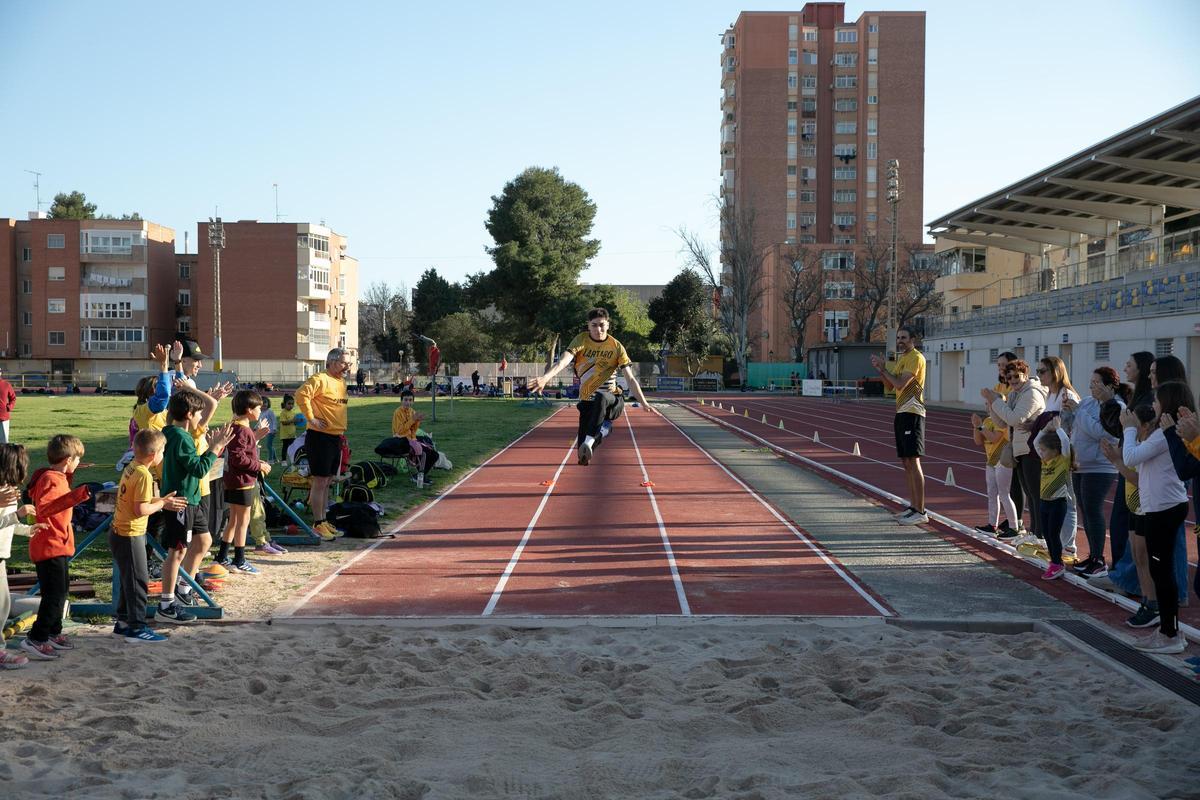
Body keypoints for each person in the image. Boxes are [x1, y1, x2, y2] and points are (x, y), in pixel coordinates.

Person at [1119, 381, 1194, 654]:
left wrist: (1129, 428)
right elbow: (1139, 461)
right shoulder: (1163, 432)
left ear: (1168, 402)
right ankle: (1168, 630)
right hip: (1160, 507)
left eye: (1157, 400)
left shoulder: (1167, 433)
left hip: (1164, 508)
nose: (1153, 405)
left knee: (1162, 572)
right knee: (1160, 571)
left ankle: (1170, 634)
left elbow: (1129, 457)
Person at [528, 307, 654, 466]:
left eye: (602, 325)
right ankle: (602, 431)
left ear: (608, 324)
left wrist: (644, 402)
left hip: (612, 400)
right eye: (594, 325)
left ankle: (597, 433)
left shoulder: (616, 346)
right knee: (582, 456)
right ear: (588, 325)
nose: (598, 329)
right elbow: (563, 361)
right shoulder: (581, 340)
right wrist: (545, 378)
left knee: (602, 397)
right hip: (587, 401)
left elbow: (630, 378)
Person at [158, 390, 235, 623]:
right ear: (189, 413)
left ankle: (183, 589)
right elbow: (199, 469)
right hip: (181, 501)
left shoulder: (174, 433)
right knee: (177, 551)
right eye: (199, 413)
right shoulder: (181, 437)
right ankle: (166, 604)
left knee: (204, 541)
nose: (201, 418)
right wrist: (215, 448)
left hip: (192, 499)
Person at [111, 429, 186, 643]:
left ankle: (124, 622)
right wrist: (162, 503)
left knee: (129, 580)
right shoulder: (144, 474)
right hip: (130, 534)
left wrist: (162, 500)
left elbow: (138, 502)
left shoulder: (132, 467)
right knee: (138, 582)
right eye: (163, 451)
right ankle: (137, 628)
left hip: (120, 532)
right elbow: (140, 510)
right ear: (154, 455)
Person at [22, 435, 92, 660]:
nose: (79, 463)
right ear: (68, 459)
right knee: (54, 595)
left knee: (61, 592)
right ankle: (37, 637)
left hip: (56, 544)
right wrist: (77, 496)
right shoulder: (52, 479)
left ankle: (53, 631)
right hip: (49, 545)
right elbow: (45, 508)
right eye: (77, 459)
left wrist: (69, 476)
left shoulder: (55, 476)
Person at [1064, 367, 1121, 578]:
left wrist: (1079, 412)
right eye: (1091, 382)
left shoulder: (1116, 406)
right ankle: (1093, 554)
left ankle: (1099, 559)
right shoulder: (1087, 402)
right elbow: (1077, 427)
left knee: (1093, 508)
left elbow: (1102, 433)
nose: (1091, 386)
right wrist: (1070, 410)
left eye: (1096, 383)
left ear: (1109, 385)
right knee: (1085, 510)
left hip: (1100, 466)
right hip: (1081, 464)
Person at [983, 360, 1046, 544]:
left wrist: (995, 400)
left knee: (1035, 494)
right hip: (1020, 449)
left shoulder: (1031, 393)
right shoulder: (1014, 394)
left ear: (1025, 375)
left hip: (1032, 449)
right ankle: (1035, 533)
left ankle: (1039, 535)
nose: (1012, 380)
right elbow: (1002, 423)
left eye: (1016, 376)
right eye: (1008, 377)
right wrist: (992, 403)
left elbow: (1013, 418)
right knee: (1030, 492)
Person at [869, 326, 928, 524]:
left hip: (913, 412)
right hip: (901, 411)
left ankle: (920, 511)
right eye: (898, 338)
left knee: (913, 460)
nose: (900, 341)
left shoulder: (916, 358)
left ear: (913, 338)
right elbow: (889, 385)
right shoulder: (902, 358)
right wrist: (881, 370)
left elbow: (901, 383)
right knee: (906, 461)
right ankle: (913, 507)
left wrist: (885, 369)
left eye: (904, 337)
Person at [295, 348, 353, 540]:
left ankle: (324, 520)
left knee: (328, 480)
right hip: (320, 437)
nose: (347, 366)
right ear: (332, 361)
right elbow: (301, 395)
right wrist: (311, 418)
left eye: (348, 363)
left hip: (336, 437)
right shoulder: (320, 379)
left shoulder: (341, 382)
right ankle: (318, 523)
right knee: (320, 481)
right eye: (344, 362)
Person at [217, 390, 271, 573]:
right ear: (248, 410)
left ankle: (222, 556)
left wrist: (257, 462)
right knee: (242, 520)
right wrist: (259, 466)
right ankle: (239, 559)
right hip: (242, 481)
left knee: (233, 519)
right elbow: (238, 459)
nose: (260, 412)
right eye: (258, 408)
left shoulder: (235, 425)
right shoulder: (243, 430)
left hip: (233, 479)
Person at [1035, 357, 1081, 558]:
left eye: (1043, 371)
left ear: (1055, 372)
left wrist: (1068, 455)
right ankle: (1059, 543)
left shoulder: (1066, 394)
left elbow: (1071, 426)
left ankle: (1069, 545)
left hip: (1064, 455)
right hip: (1051, 455)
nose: (1039, 375)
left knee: (1067, 499)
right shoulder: (1050, 394)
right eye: (1038, 370)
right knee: (1054, 498)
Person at [1, 447, 43, 669]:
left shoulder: (8, 491)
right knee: (1, 605)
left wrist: (28, 530)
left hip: (1, 556)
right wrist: (17, 514)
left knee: (4, 604)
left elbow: (8, 523)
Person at [1034, 422, 1073, 580]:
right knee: (1046, 534)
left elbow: (1065, 443)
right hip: (1044, 502)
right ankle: (1054, 562)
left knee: (1053, 533)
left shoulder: (1062, 460)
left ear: (1055, 451)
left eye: (1044, 451)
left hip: (1057, 503)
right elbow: (1036, 443)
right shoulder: (1045, 461)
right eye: (1041, 451)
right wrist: (1045, 429)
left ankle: (1057, 563)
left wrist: (1058, 429)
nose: (1041, 453)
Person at [970, 411, 1016, 536]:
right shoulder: (987, 421)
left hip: (1002, 460)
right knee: (992, 494)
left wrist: (981, 426)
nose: (987, 406)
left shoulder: (1001, 421)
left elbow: (994, 438)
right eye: (986, 404)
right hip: (990, 461)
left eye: (989, 404)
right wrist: (976, 426)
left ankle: (1014, 527)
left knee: (1004, 494)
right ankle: (992, 525)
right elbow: (978, 441)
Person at [278, 395, 298, 464]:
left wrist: (297, 421)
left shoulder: (293, 413)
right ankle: (284, 460)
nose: (291, 405)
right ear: (284, 404)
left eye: (292, 404)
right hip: (285, 435)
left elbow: (294, 423)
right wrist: (292, 421)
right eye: (289, 404)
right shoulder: (283, 412)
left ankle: (293, 460)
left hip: (292, 434)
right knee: (285, 448)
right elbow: (283, 422)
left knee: (293, 448)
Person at [259, 396, 278, 464]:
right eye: (262, 403)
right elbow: (260, 422)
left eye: (265, 402)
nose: (264, 404)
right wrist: (256, 427)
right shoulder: (260, 412)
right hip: (266, 431)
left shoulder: (270, 412)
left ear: (268, 403)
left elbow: (274, 421)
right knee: (270, 445)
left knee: (268, 445)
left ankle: (270, 460)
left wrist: (274, 429)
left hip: (271, 431)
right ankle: (275, 459)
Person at [0, 364, 16, 444]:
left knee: (4, 443)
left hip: (3, 417)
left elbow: (13, 398)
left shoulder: (6, 385)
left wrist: (9, 407)